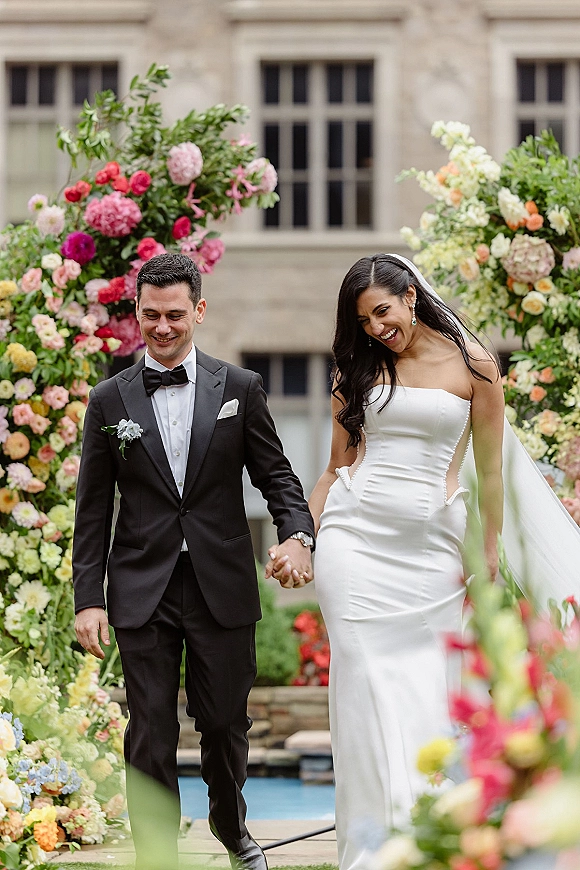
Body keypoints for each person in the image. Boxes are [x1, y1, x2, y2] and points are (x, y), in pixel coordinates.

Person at [72, 252, 315, 870]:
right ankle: (155, 854)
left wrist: (296, 535)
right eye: (150, 315)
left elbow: (278, 478)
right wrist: (89, 599)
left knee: (225, 724)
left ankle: (233, 830)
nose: (161, 326)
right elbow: (92, 510)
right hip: (141, 587)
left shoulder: (240, 389)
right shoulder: (108, 399)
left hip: (221, 584)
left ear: (198, 311)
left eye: (174, 314)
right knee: (148, 729)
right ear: (136, 313)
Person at [309, 253, 504, 870]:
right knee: (363, 686)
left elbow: (492, 470)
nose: (375, 329)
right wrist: (303, 532)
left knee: (425, 691)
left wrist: (490, 550)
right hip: (355, 540)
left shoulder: (476, 366)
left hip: (431, 555)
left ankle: (428, 839)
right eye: (363, 320)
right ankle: (370, 851)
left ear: (411, 295)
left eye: (382, 312)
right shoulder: (356, 369)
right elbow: (336, 465)